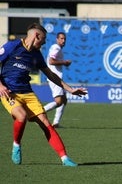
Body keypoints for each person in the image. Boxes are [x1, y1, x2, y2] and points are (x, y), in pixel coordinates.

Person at [0, 23, 87, 166]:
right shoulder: (12, 46)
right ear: (36, 36)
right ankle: (16, 145)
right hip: (9, 92)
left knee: (46, 123)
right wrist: (1, 86)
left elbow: (51, 75)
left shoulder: (36, 55)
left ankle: (64, 158)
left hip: (27, 93)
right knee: (21, 116)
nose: (45, 42)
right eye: (44, 39)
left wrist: (70, 89)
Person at [44, 32, 72, 128]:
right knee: (59, 101)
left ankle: (56, 123)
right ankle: (38, 113)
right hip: (54, 78)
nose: (63, 41)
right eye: (61, 38)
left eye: (64, 39)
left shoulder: (56, 48)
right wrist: (64, 62)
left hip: (55, 77)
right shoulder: (56, 48)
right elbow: (51, 61)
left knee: (64, 100)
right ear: (57, 39)